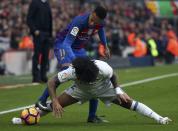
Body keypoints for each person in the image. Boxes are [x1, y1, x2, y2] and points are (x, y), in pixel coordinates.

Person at [38, 57, 171, 125]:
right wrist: (55, 101)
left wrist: (118, 90)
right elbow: (51, 82)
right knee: (52, 106)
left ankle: (159, 118)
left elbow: (113, 76)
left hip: (104, 88)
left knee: (129, 103)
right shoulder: (72, 71)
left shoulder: (103, 68)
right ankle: (24, 119)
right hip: (81, 90)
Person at [36, 6, 110, 123]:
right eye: (97, 20)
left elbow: (101, 30)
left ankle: (92, 116)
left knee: (92, 72)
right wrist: (76, 62)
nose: (98, 23)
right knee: (67, 69)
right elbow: (67, 43)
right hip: (63, 45)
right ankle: (42, 100)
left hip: (78, 48)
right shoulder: (79, 22)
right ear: (94, 14)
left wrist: (105, 46)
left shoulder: (99, 22)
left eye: (100, 21)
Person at [27, 0, 53, 83]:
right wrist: (34, 30)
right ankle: (35, 77)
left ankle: (43, 76)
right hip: (38, 33)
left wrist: (50, 34)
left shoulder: (47, 3)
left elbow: (50, 19)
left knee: (45, 56)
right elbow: (29, 18)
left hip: (47, 34)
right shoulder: (35, 2)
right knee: (37, 55)